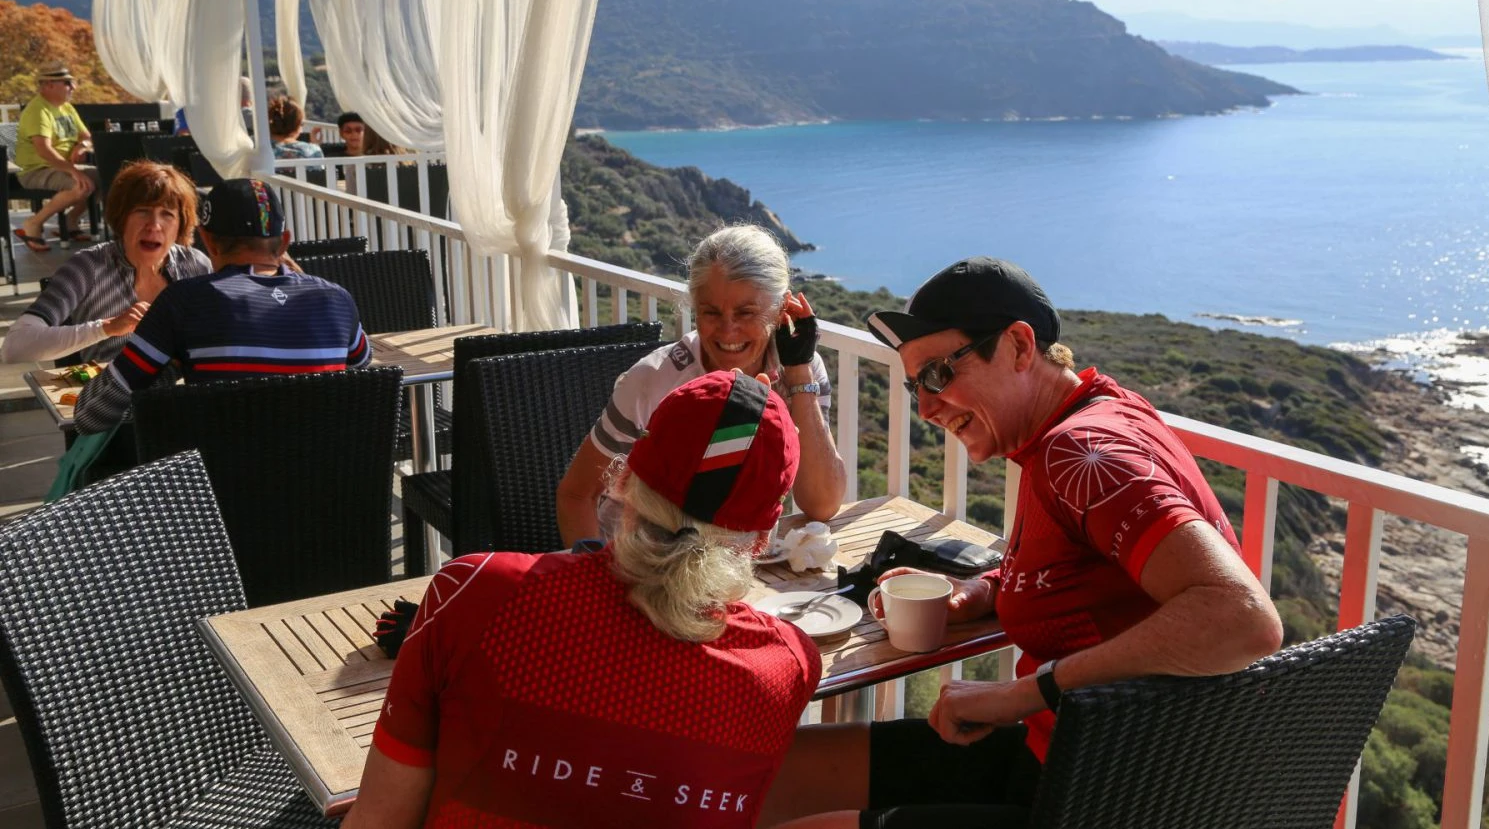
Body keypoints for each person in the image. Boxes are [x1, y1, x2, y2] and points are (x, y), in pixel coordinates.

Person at [760, 257, 1284, 829]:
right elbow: (1087, 573)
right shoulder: (1090, 419)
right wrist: (983, 591)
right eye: (916, 389)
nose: (929, 408)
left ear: (1017, 344)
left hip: (1109, 795)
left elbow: (1243, 617)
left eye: (938, 374)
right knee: (767, 773)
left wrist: (1023, 693)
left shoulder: (1083, 456)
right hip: (1069, 757)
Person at [342, 370, 822, 828]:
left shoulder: (476, 591)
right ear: (761, 539)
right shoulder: (788, 666)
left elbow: (380, 820)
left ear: (622, 479)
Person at [557, 225, 847, 546]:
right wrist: (595, 583)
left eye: (746, 312)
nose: (728, 331)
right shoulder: (654, 379)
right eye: (711, 312)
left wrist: (800, 373)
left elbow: (821, 503)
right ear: (695, 307)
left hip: (732, 567)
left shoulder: (799, 368)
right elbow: (576, 495)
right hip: (634, 563)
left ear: (781, 310)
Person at [72, 178, 370, 435]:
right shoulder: (337, 299)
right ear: (284, 242)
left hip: (215, 494)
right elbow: (361, 366)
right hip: (328, 489)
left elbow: (91, 416)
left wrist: (169, 367)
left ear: (208, 241)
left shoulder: (184, 302)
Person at [1, 161, 213, 366]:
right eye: (143, 211)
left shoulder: (196, 266)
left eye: (167, 214)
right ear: (121, 217)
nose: (154, 225)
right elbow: (15, 347)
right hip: (109, 397)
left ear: (181, 225)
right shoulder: (89, 267)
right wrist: (107, 328)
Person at [11, 62, 98, 252]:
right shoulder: (38, 111)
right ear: (49, 84)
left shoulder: (66, 108)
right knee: (80, 184)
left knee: (109, 180)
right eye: (67, 83)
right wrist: (74, 171)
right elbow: (44, 151)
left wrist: (82, 146)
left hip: (62, 167)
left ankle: (70, 221)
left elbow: (86, 136)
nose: (73, 87)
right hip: (36, 170)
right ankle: (33, 224)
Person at [267, 96, 323, 160]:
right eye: (302, 124)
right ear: (297, 125)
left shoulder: (261, 151)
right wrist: (315, 145)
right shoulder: (312, 152)